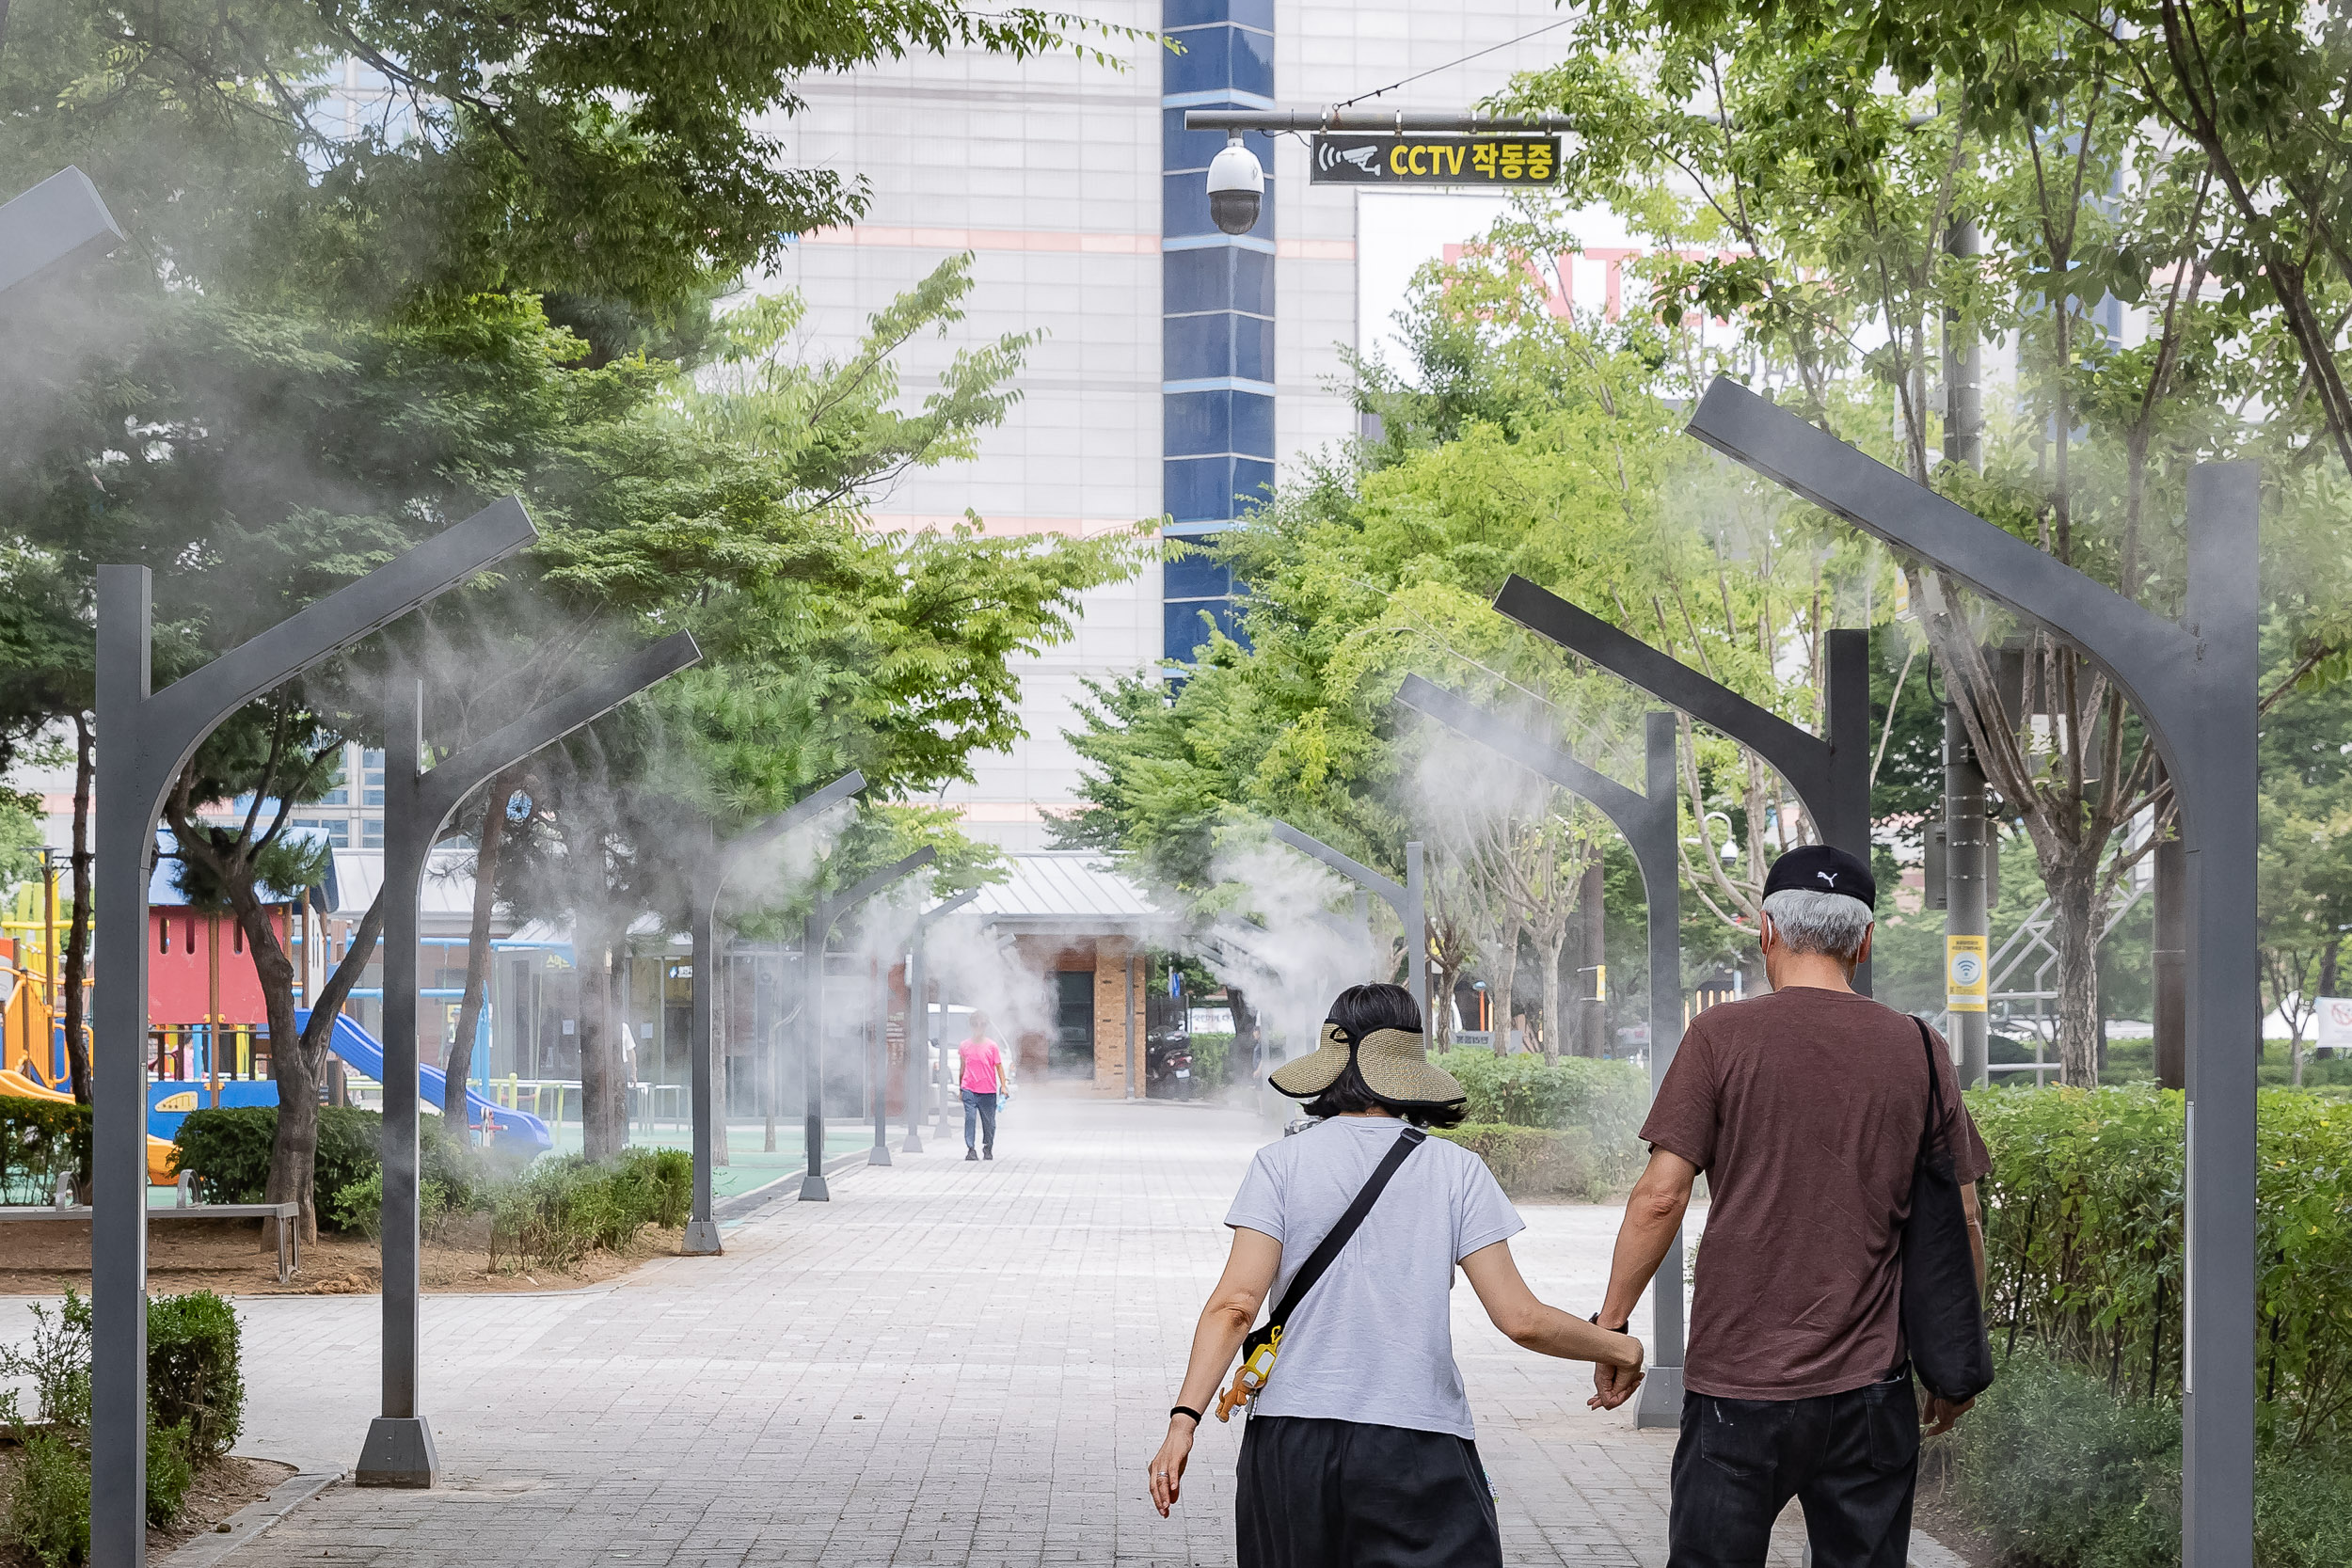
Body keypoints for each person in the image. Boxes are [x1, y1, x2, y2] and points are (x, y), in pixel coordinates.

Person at [1588, 845, 1992, 1568]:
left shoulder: (1720, 1036)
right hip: (1872, 1391)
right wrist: (1952, 1363)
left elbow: (1660, 1197)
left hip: (1736, 1392)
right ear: (1865, 941)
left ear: (1766, 931)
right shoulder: (1921, 1049)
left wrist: (1611, 1327)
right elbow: (1962, 1218)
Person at [1148, 982, 1645, 1567]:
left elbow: (1235, 1306)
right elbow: (1521, 1320)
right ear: (1411, 1065)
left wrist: (1184, 1420)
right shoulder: (1455, 1170)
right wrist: (1623, 1347)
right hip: (1415, 1441)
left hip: (1290, 1444)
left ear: (1331, 1065)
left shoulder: (1279, 1164)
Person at [957, 1012, 1009, 1161]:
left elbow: (999, 1067)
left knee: (989, 1123)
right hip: (969, 1088)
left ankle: (988, 1146)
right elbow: (962, 1068)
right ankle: (971, 1148)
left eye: (982, 1025)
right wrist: (961, 1088)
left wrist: (1003, 1086)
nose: (978, 1028)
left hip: (988, 1090)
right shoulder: (964, 1046)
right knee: (970, 1118)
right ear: (971, 1026)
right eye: (975, 1024)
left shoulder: (992, 1046)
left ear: (986, 1027)